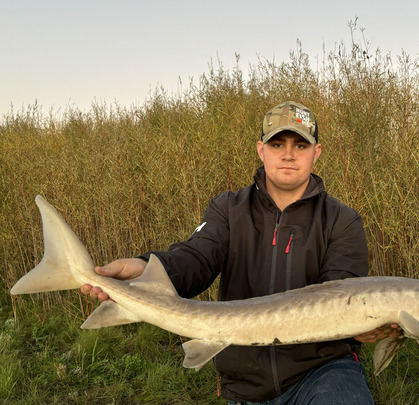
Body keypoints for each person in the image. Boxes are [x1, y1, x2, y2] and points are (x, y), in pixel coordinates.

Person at [81, 101, 402, 404]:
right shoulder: (228, 208)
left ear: (316, 153)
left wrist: (363, 328)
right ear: (261, 150)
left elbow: (341, 299)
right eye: (278, 144)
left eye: (300, 145)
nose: (288, 155)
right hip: (246, 377)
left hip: (323, 369)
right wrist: (144, 267)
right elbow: (196, 259)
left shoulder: (342, 220)